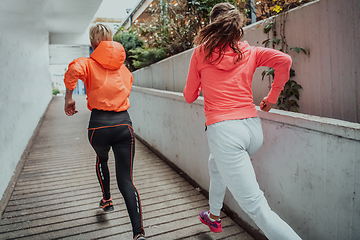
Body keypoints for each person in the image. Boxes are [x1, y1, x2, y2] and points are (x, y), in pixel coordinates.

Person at [183, 3, 301, 240]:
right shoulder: (251, 51)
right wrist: (272, 97)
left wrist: (203, 84)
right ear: (236, 26)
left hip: (225, 131)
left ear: (213, 25)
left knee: (258, 208)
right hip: (252, 130)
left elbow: (189, 96)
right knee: (216, 164)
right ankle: (214, 217)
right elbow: (285, 61)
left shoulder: (201, 53)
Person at [63, 23, 146, 240]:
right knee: (126, 180)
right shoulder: (124, 69)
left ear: (92, 43)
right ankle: (138, 233)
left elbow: (73, 69)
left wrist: (69, 98)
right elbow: (127, 86)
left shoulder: (87, 63)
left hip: (98, 126)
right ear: (110, 40)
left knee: (102, 159)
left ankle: (107, 200)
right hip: (123, 126)